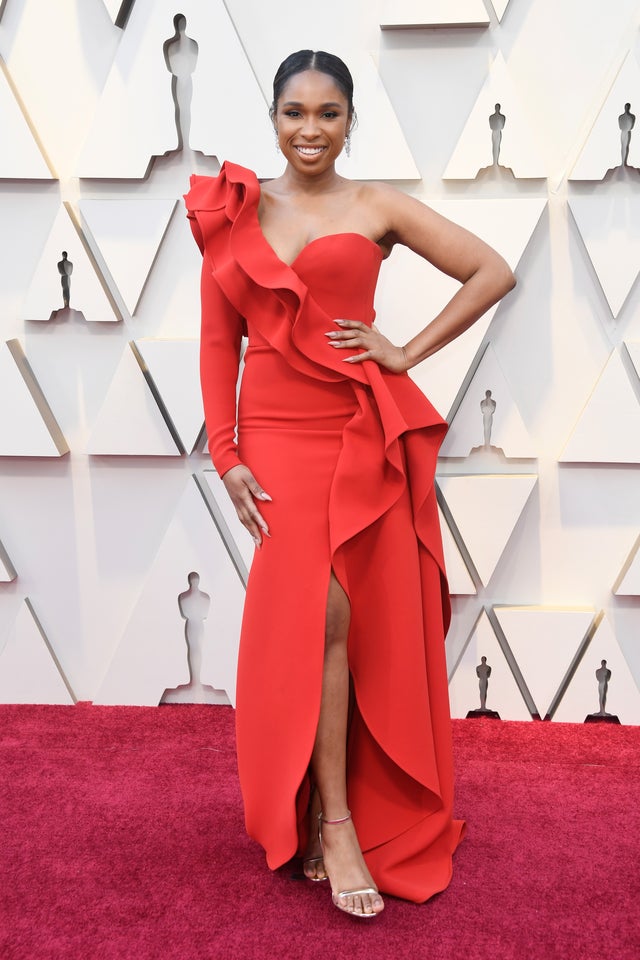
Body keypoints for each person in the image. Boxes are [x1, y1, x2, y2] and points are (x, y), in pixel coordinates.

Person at [184, 49, 515, 919]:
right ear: (273, 116)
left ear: (350, 120)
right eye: (295, 113)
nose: (310, 131)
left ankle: (337, 817)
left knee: (344, 616)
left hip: (353, 426)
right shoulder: (236, 209)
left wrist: (404, 352)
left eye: (328, 114)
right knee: (316, 617)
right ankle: (325, 816)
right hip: (275, 436)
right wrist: (226, 455)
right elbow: (221, 342)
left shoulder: (376, 205)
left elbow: (492, 270)